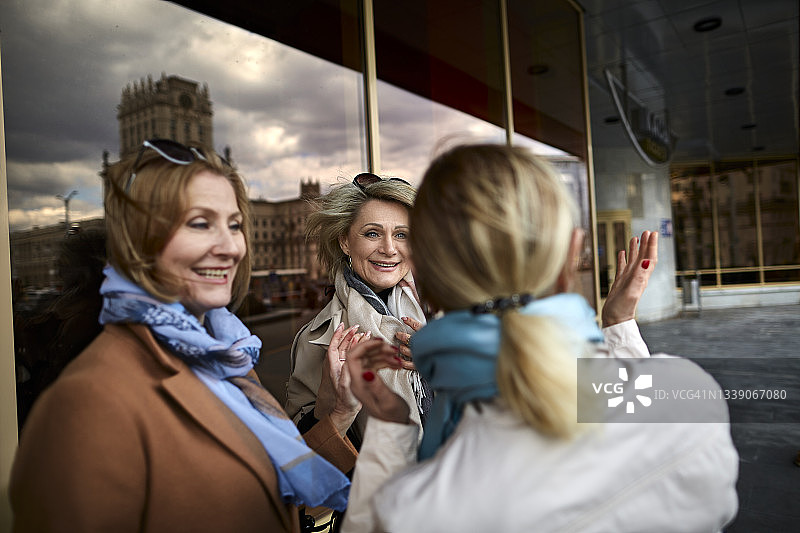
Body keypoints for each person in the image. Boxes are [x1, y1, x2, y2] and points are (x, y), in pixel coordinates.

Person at [340, 144, 739, 532]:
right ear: (572, 255)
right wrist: (619, 325)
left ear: (424, 276)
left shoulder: (413, 506)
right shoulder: (692, 395)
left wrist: (391, 428)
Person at [9, 139, 361, 532]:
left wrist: (340, 412)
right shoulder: (89, 403)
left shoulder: (225, 356)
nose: (230, 247)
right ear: (139, 241)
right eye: (199, 223)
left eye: (234, 225)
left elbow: (274, 488)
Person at [285, 173, 428, 449]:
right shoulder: (316, 339)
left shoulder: (447, 313)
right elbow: (300, 462)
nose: (389, 249)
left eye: (401, 235)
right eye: (372, 233)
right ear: (345, 242)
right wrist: (336, 407)